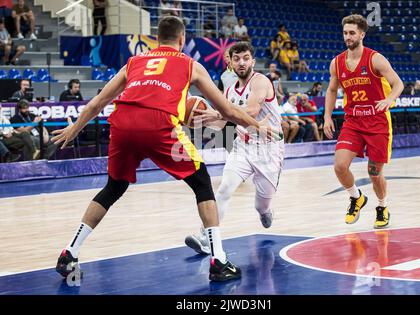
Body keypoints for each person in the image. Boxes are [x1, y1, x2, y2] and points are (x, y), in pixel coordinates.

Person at [52, 16, 277, 283]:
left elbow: (98, 102)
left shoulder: (134, 62)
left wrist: (74, 130)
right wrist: (256, 124)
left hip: (122, 123)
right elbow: (227, 111)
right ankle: (219, 260)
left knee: (113, 187)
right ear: (182, 40)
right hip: (158, 125)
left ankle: (70, 252)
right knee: (202, 183)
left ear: (157, 39)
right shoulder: (189, 64)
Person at [184, 42, 284, 255]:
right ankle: (205, 236)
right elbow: (225, 123)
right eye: (236, 59)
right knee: (224, 188)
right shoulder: (229, 91)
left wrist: (218, 113)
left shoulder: (261, 81)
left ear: (253, 61)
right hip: (243, 147)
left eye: (246, 58)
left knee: (261, 205)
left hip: (269, 149)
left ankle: (265, 211)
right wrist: (203, 119)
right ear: (230, 63)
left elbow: (252, 111)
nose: (241, 63)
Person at [323, 14, 403, 229]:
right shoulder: (337, 62)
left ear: (362, 34)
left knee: (374, 173)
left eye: (351, 33)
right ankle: (356, 197)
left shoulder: (375, 59)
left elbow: (398, 84)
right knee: (340, 166)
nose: (347, 37)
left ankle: (382, 206)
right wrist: (327, 116)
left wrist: (388, 99)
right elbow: (331, 90)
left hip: (377, 122)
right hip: (353, 121)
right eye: (345, 33)